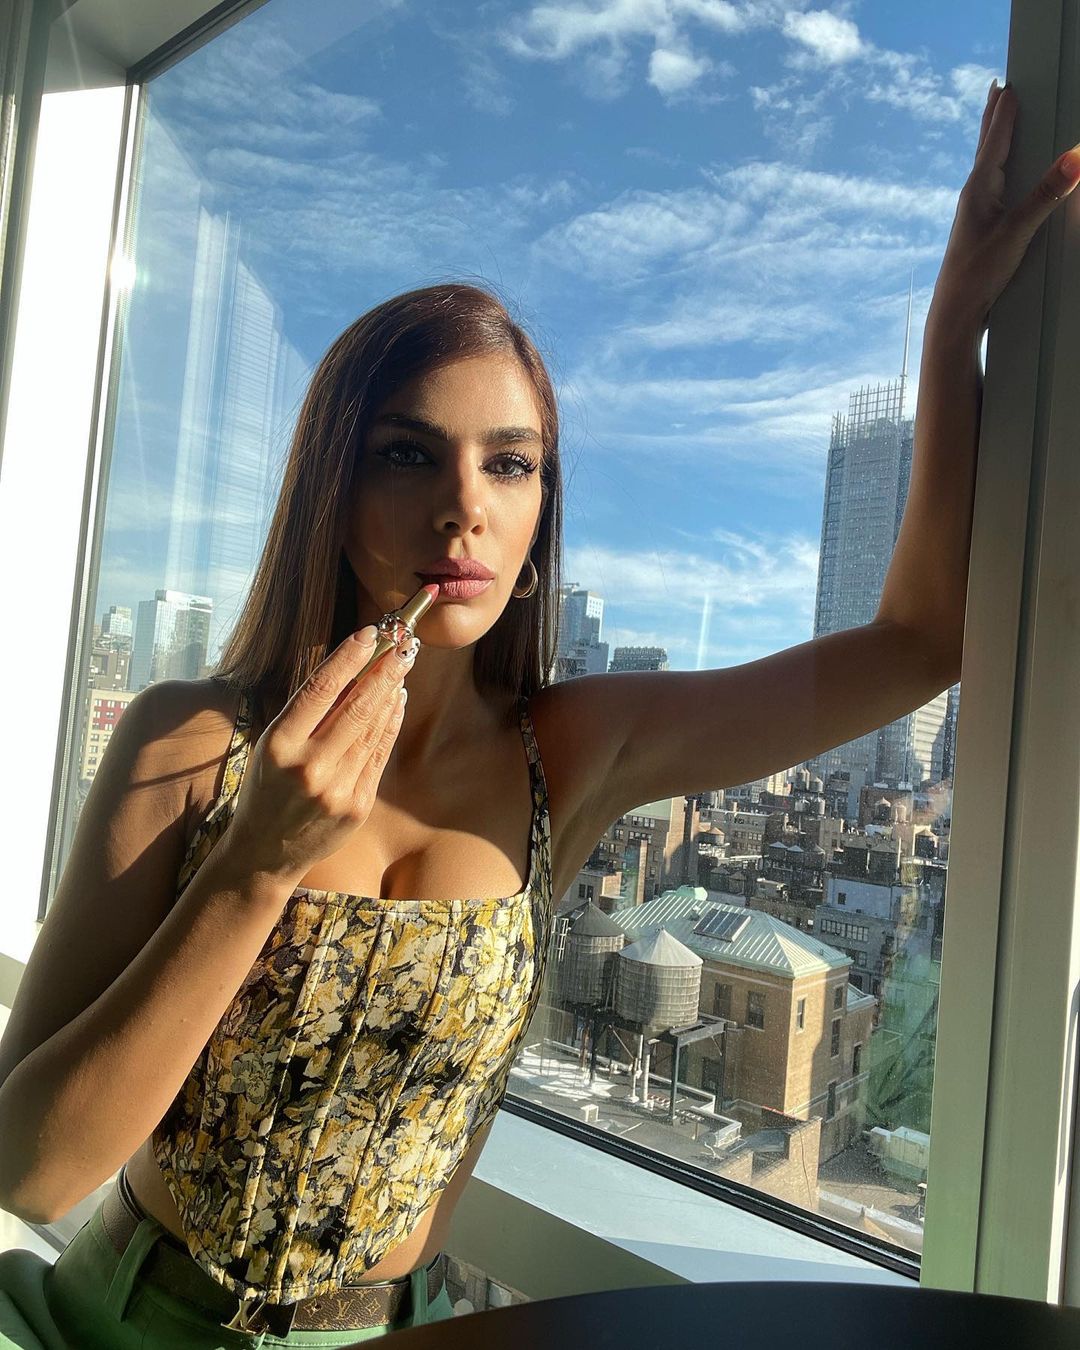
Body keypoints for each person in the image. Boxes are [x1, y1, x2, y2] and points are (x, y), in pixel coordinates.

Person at [0, 80, 1074, 1348]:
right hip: (125, 1318)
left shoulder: (571, 752)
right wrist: (255, 867)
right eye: (409, 452)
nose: (465, 505)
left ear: (538, 512)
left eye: (508, 463)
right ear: (332, 488)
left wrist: (954, 329)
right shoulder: (192, 743)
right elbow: (32, 1170)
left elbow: (918, 646)